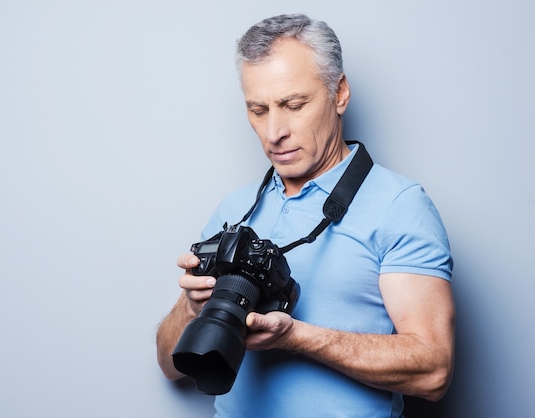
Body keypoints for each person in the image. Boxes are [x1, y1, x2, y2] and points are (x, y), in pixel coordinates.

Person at [156, 13, 455, 418]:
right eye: (258, 110)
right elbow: (170, 365)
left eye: (293, 105)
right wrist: (191, 306)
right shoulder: (235, 209)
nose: (273, 131)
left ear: (340, 93)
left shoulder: (399, 204)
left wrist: (296, 337)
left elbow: (434, 371)